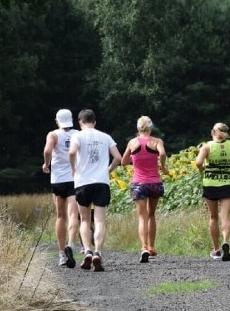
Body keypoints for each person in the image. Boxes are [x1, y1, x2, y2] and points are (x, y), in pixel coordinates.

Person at [68, 108, 123, 272]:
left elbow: (71, 152)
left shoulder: (77, 135)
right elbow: (119, 158)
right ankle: (98, 251)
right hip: (101, 182)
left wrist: (73, 168)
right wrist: (108, 170)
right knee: (99, 220)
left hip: (82, 182)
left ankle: (87, 251)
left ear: (80, 122)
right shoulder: (105, 137)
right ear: (95, 122)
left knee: (84, 220)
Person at [121, 116, 168, 264]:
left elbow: (123, 162)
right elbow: (162, 154)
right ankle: (152, 246)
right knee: (152, 215)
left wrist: (134, 160)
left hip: (138, 183)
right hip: (154, 182)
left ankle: (144, 247)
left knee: (142, 217)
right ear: (151, 128)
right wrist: (163, 167)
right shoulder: (157, 142)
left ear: (137, 128)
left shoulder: (132, 142)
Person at [195, 122, 230, 261]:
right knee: (225, 216)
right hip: (228, 183)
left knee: (213, 217)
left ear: (213, 132)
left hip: (210, 183)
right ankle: (226, 241)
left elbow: (198, 163)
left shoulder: (207, 146)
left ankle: (216, 249)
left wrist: (203, 169)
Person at [42, 108, 79, 268]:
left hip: (58, 180)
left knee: (60, 217)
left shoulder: (53, 134)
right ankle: (71, 244)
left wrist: (46, 163)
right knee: (73, 215)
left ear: (57, 121)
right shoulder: (78, 134)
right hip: (74, 179)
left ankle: (62, 254)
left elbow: (47, 150)